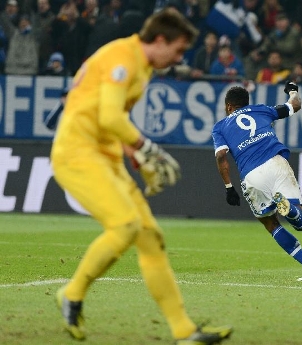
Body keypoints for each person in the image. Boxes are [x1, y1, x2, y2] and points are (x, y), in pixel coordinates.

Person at [50, 8, 232, 344]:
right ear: (159, 39)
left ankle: (183, 331)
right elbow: (108, 116)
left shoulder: (141, 64)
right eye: (177, 50)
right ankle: (72, 295)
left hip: (105, 156)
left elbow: (109, 117)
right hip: (77, 154)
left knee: (150, 237)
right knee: (125, 226)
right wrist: (148, 147)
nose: (179, 58)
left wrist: (135, 154)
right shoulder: (124, 58)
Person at [212, 83, 302, 282]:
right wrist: (292, 90)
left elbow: (221, 155)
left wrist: (229, 187)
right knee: (301, 223)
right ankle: (291, 211)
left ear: (229, 106)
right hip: (276, 162)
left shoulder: (220, 127)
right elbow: (295, 105)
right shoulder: (262, 110)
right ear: (246, 103)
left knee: (270, 223)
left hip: (252, 175)